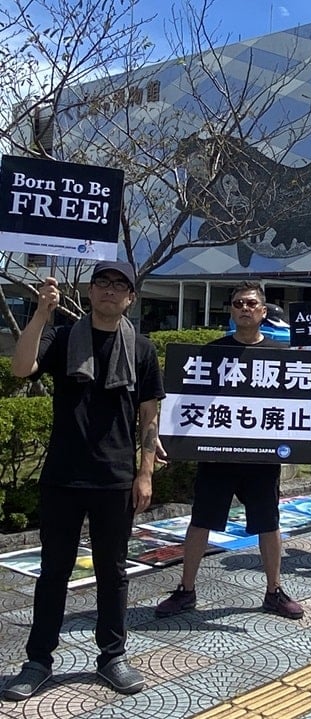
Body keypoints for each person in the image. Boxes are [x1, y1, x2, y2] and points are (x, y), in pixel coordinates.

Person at [4, 261, 165, 701]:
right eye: (103, 283)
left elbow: (149, 414)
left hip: (115, 478)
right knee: (53, 572)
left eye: (120, 286)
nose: (110, 291)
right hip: (62, 475)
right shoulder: (62, 336)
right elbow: (21, 368)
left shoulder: (143, 349)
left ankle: (112, 655)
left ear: (131, 298)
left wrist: (145, 472)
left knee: (112, 572)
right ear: (91, 292)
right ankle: (38, 660)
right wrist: (40, 312)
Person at [154, 281, 311, 621]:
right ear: (232, 310)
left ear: (263, 311)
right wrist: (160, 436)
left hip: (262, 458)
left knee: (269, 523)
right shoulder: (208, 355)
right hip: (217, 456)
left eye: (252, 303)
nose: (245, 308)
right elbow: (179, 404)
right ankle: (186, 590)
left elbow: (307, 405)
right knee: (200, 522)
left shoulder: (283, 358)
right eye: (238, 303)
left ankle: (274, 591)